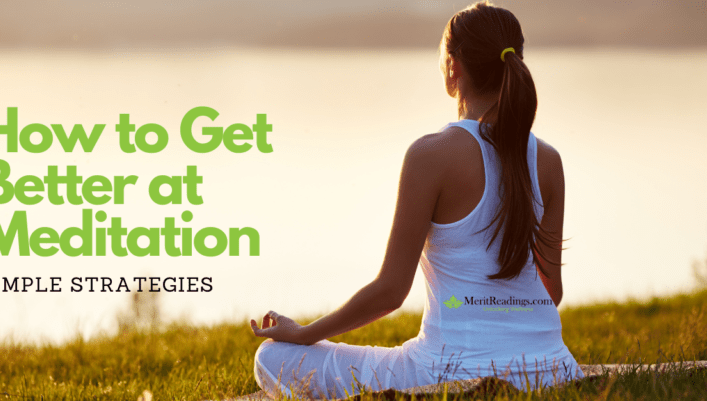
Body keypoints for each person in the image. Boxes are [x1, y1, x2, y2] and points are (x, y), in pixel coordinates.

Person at [250, 1, 584, 398]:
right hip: (554, 367)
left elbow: (391, 292)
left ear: (453, 67)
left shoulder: (431, 155)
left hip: (447, 372)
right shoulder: (547, 160)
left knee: (271, 357)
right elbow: (552, 293)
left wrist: (304, 333)